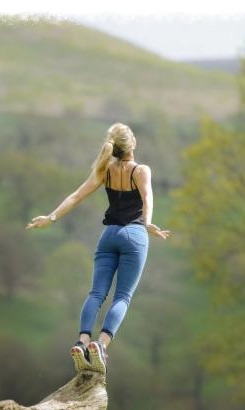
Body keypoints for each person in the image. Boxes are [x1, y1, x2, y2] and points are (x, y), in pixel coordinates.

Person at [26, 122, 171, 375]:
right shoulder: (141, 170)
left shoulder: (105, 170)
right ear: (132, 144)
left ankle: (81, 341)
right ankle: (101, 345)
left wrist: (50, 218)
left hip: (108, 236)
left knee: (96, 294)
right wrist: (147, 223)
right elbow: (147, 197)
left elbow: (76, 196)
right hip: (134, 236)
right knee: (123, 296)